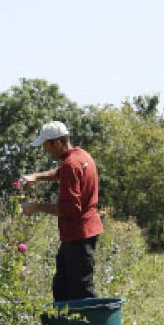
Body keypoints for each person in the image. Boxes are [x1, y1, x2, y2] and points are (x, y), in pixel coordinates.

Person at [20, 120, 103, 301]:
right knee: (62, 287)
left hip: (78, 234)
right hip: (80, 233)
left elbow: (70, 209)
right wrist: (36, 176)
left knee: (81, 290)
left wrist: (35, 207)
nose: (44, 150)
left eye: (46, 145)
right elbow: (59, 173)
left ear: (58, 142)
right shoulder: (81, 156)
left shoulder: (70, 165)